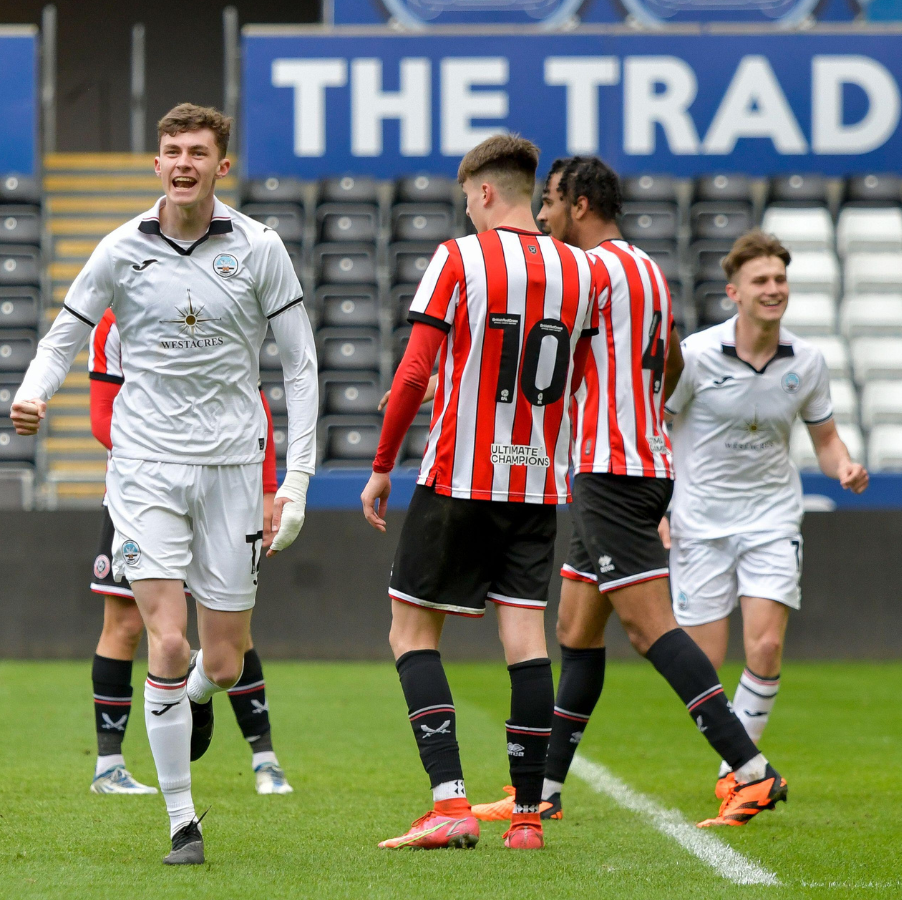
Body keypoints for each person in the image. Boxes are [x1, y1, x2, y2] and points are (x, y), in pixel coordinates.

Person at [11, 103, 318, 864]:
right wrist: (34, 390)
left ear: (223, 165)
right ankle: (184, 822)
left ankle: (192, 700)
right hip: (145, 466)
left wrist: (299, 481)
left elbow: (301, 368)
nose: (184, 163)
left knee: (223, 659)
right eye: (172, 151)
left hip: (233, 469)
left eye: (198, 152)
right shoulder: (118, 249)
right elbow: (66, 334)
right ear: (156, 165)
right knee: (166, 638)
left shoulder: (260, 248)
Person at [472, 157, 789, 829]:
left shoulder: (584, 273)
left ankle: (752, 771)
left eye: (552, 205)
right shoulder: (645, 268)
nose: (544, 217)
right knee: (575, 629)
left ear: (580, 205)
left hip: (613, 470)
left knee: (650, 628)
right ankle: (545, 791)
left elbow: (538, 343)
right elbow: (671, 356)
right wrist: (642, 406)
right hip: (636, 461)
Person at [360, 134, 606, 852]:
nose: (466, 209)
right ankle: (526, 819)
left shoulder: (459, 257)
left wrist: (381, 466)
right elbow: (562, 377)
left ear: (487, 192)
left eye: (468, 197)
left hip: (459, 476)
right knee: (525, 639)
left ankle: (451, 803)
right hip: (534, 483)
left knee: (410, 632)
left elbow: (410, 375)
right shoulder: (582, 272)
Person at [664, 230, 866, 808]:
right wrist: (657, 506)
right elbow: (657, 427)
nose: (774, 289)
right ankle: (743, 764)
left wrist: (844, 465)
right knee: (701, 667)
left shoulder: (807, 361)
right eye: (761, 280)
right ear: (734, 292)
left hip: (772, 520)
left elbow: (825, 441)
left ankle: (740, 780)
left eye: (780, 279)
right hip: (700, 523)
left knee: (767, 647)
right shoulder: (697, 355)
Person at [86, 308, 293, 797]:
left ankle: (265, 759)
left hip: (220, 492)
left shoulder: (219, 307)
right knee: (126, 625)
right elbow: (101, 415)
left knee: (230, 631)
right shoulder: (115, 321)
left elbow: (252, 402)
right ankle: (109, 766)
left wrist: (267, 489)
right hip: (142, 495)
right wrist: (163, 458)